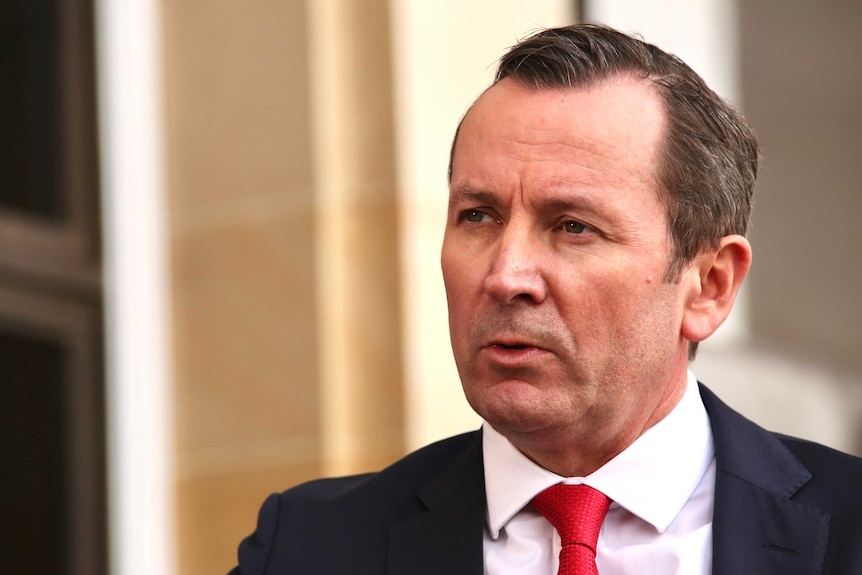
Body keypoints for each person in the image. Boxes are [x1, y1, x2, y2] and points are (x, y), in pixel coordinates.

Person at [229, 23, 862, 574]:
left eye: (573, 226)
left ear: (710, 285)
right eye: (478, 216)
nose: (507, 276)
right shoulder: (308, 547)